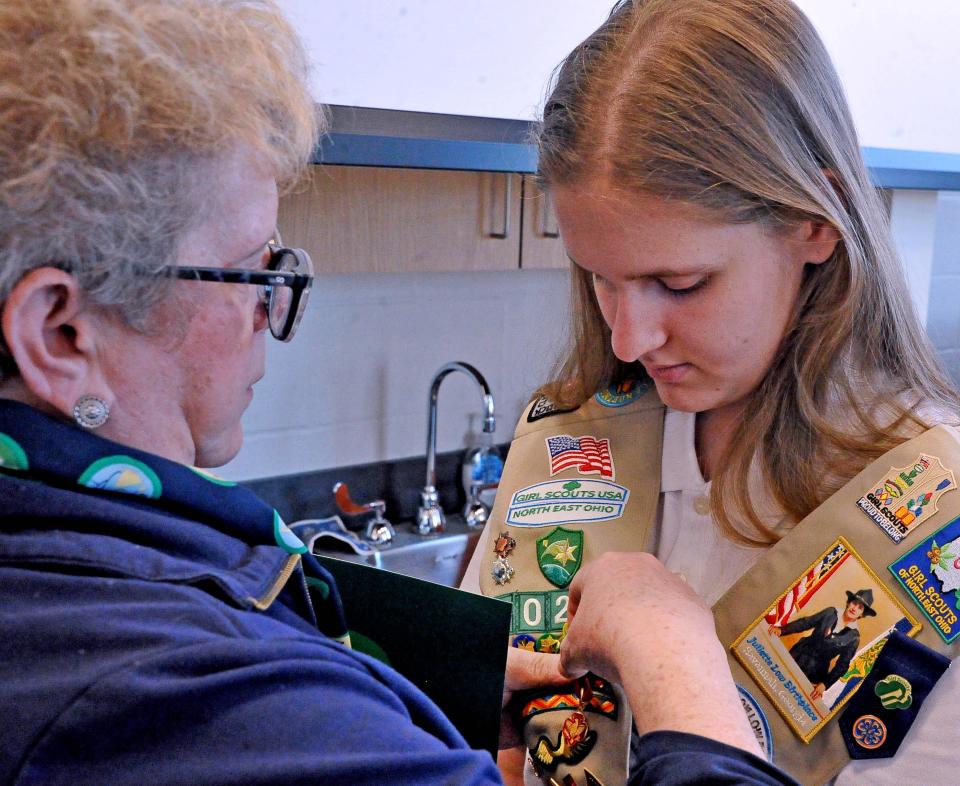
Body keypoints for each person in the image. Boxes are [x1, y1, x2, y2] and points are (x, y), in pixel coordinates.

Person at [0, 1, 803, 785]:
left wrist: (415, 682)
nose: (272, 311)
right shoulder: (195, 697)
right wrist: (685, 674)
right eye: (251, 270)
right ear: (60, 333)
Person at [461, 0, 960, 784]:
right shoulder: (564, 445)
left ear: (813, 223)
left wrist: (670, 663)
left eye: (680, 283)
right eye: (601, 279)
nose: (629, 340)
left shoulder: (940, 513)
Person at [769, 590, 875, 701]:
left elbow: (842, 665)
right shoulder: (830, 612)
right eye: (854, 603)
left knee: (790, 698)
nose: (855, 608)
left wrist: (824, 684)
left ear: (862, 614)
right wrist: (781, 630)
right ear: (849, 602)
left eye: (860, 608)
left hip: (815, 673)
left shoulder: (854, 637)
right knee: (775, 681)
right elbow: (806, 623)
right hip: (798, 655)